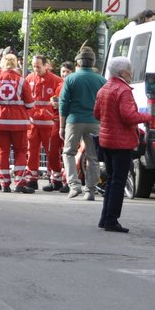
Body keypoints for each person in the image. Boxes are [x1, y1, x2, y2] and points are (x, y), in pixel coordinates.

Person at [93, 57, 154, 233]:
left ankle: (104, 218)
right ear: (122, 72)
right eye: (129, 70)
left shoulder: (104, 88)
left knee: (111, 180)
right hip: (121, 143)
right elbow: (129, 116)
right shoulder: (123, 90)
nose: (131, 73)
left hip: (106, 140)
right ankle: (112, 220)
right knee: (118, 181)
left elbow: (97, 113)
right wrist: (147, 117)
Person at [59, 46, 106, 200]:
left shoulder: (70, 79)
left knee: (68, 152)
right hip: (95, 122)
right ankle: (90, 190)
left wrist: (61, 126)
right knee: (93, 157)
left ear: (78, 63)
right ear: (92, 62)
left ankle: (74, 185)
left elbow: (63, 103)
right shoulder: (101, 80)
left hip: (74, 121)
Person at [0, 53, 30, 193]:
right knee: (21, 151)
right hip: (19, 122)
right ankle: (19, 182)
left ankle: (4, 183)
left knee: (2, 152)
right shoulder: (22, 81)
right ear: (16, 64)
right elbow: (30, 103)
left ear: (2, 65)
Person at [24, 55, 65, 191]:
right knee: (32, 152)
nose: (36, 69)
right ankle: (32, 179)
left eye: (38, 66)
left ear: (45, 65)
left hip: (48, 123)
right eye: (34, 66)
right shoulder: (29, 79)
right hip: (33, 123)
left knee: (51, 152)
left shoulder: (55, 80)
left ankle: (55, 179)